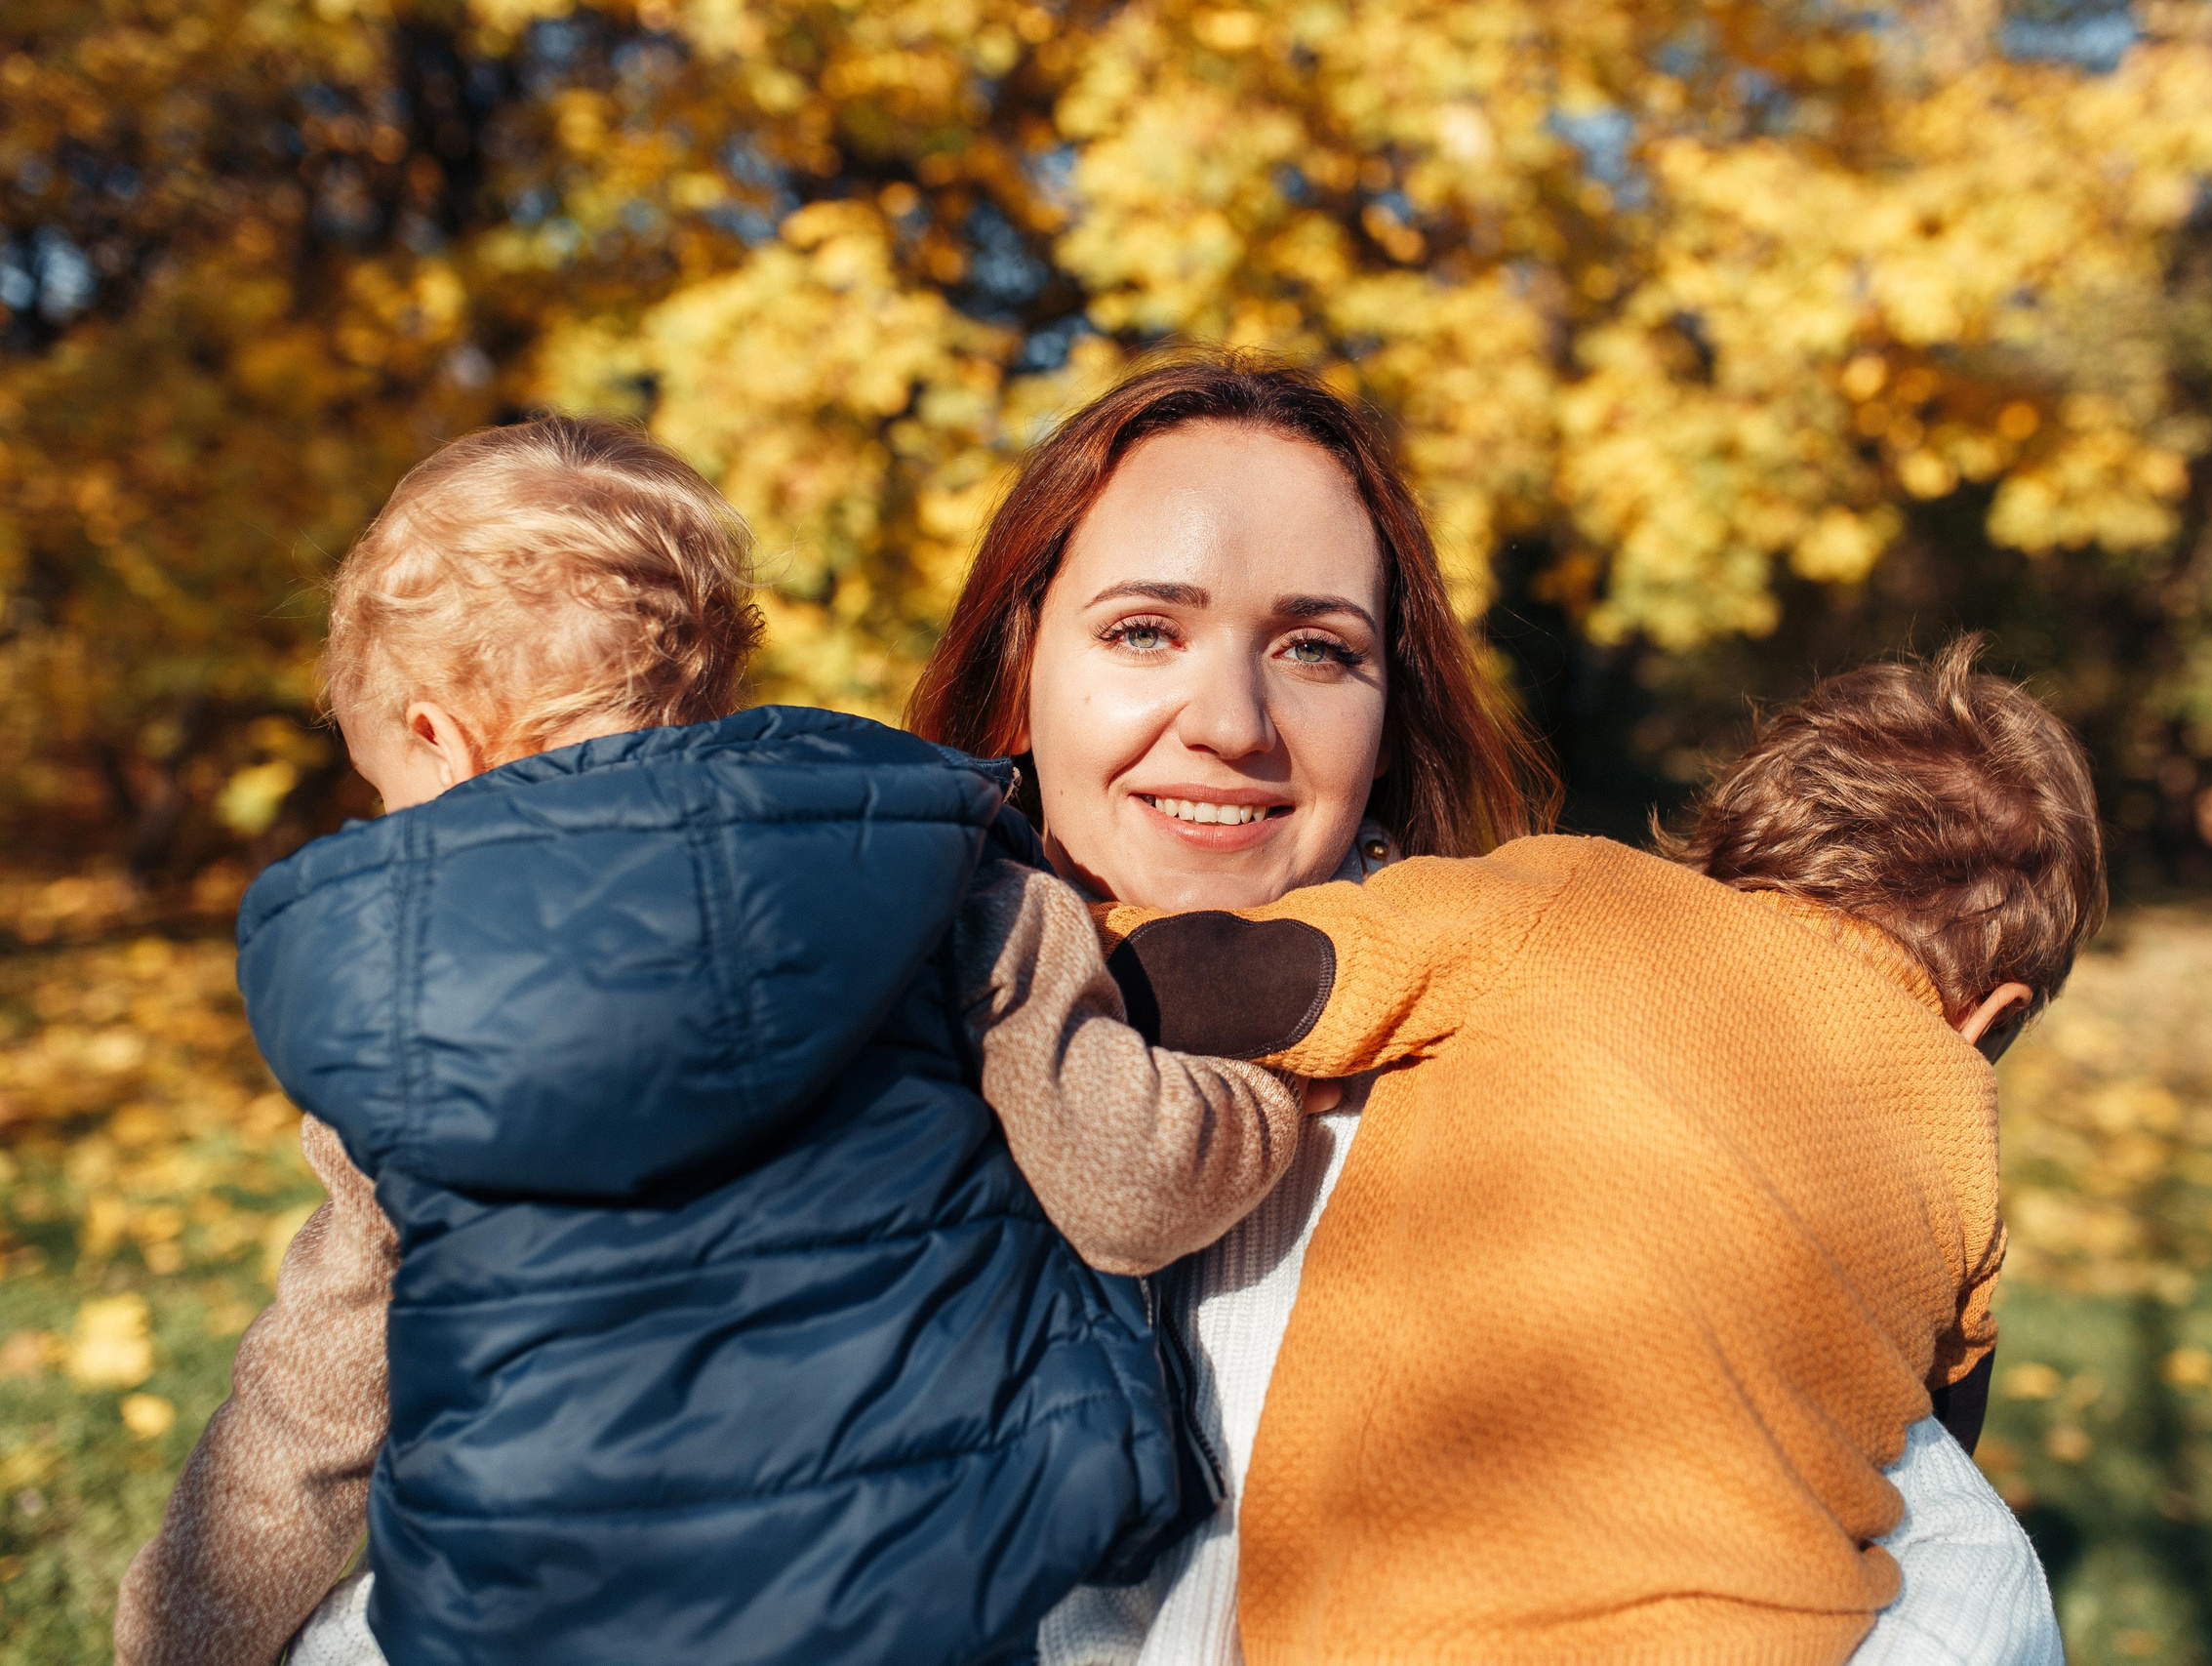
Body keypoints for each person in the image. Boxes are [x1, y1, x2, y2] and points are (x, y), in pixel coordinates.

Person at [113, 415, 1336, 1666]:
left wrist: (174, 1636)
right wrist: (1254, 1086)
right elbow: (1138, 1195)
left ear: (438, 738)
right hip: (943, 1591)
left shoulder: (402, 1021)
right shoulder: (943, 882)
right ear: (712, 689)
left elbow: (304, 1422)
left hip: (535, 1617)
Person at [906, 350, 2062, 1664]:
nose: (1231, 718)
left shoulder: (1570, 1093)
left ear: (1388, 714)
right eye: (1143, 629)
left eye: (1316, 648)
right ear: (1020, 660)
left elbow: (1959, 1576)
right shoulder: (810, 1035)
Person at [1086, 636, 2099, 1663]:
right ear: (1995, 1015)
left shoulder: (1579, 892)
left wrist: (1072, 938)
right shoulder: (1961, 1125)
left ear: (1720, 845)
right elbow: (1944, 1428)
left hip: (1407, 1616)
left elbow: (1286, 975)